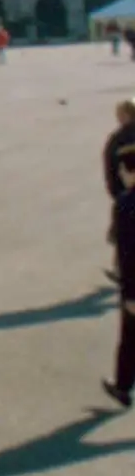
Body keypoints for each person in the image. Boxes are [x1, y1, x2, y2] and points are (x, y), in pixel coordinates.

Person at [102, 144, 135, 409]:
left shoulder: (126, 205)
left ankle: (123, 387)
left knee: (129, 339)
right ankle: (122, 386)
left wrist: (131, 294)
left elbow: (128, 255)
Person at [102, 101, 135, 285]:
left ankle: (121, 270)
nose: (118, 117)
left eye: (121, 114)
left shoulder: (118, 138)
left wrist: (115, 191)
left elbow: (110, 167)